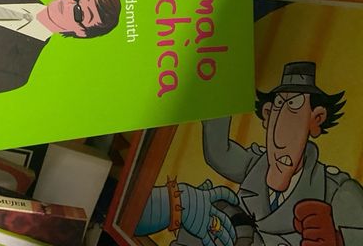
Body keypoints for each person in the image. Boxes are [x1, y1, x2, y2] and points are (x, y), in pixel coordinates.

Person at [137, 61, 363, 245]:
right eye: (277, 107)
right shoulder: (257, 166)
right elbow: (219, 152)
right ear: (267, 115)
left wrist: (340, 241)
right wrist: (215, 89)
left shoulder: (337, 191)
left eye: (294, 106)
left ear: (316, 119)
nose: (279, 129)